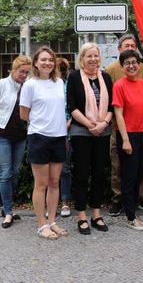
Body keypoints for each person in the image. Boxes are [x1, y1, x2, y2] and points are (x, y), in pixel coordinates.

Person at [20, 46, 68, 239]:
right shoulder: (30, 84)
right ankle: (41, 225)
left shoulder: (59, 82)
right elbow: (24, 114)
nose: (47, 63)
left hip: (59, 137)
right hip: (39, 137)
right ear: (36, 63)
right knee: (41, 184)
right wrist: (42, 124)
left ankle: (52, 221)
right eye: (43, 60)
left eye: (50, 59)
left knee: (55, 182)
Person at [105, 33, 143, 216]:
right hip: (120, 128)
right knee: (118, 165)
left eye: (133, 46)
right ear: (119, 50)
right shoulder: (111, 70)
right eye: (126, 46)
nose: (130, 48)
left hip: (142, 128)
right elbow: (110, 101)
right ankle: (119, 200)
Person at [67, 43, 113, 235]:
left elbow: (112, 105)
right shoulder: (74, 77)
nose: (93, 59)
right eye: (89, 56)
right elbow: (72, 107)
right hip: (81, 132)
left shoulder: (106, 77)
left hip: (103, 131)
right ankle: (81, 216)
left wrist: (103, 124)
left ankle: (96, 213)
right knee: (82, 173)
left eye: (96, 55)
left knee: (99, 173)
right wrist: (89, 125)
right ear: (82, 58)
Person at [113, 50, 143, 231]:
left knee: (138, 175)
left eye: (134, 62)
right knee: (128, 177)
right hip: (128, 135)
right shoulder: (119, 85)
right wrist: (125, 140)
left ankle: (133, 211)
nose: (131, 66)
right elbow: (118, 114)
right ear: (122, 66)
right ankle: (130, 217)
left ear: (139, 64)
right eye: (127, 63)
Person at [0, 55, 31, 228]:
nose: (24, 75)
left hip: (21, 136)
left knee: (15, 172)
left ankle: (6, 207)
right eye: (21, 72)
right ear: (14, 69)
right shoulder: (2, 84)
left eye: (27, 72)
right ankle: (8, 211)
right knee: (5, 173)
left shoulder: (28, 87)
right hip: (3, 135)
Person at [56, 57, 72, 218]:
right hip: (49, 132)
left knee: (65, 168)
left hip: (66, 131)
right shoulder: (44, 85)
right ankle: (50, 202)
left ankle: (65, 202)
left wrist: (68, 124)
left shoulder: (68, 86)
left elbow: (72, 107)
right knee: (48, 171)